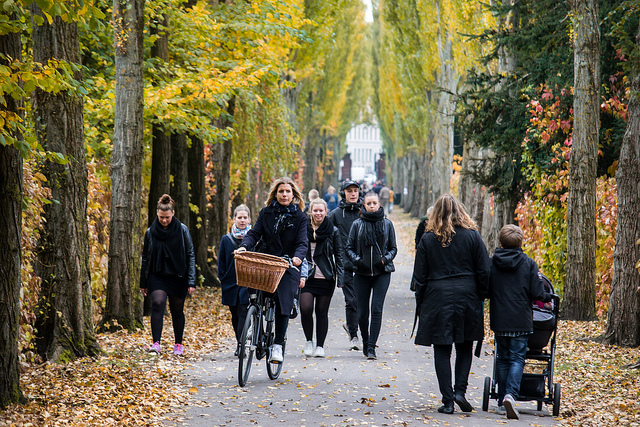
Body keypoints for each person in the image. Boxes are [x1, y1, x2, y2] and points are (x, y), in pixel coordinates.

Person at [412, 194, 490, 414]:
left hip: (438, 298)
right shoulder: (473, 236)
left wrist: (424, 300)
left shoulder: (427, 239)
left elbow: (420, 276)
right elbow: (484, 270)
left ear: (435, 212)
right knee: (464, 347)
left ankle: (447, 400)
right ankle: (460, 392)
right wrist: (481, 295)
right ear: (460, 210)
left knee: (442, 349)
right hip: (467, 296)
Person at [236, 177, 308, 364]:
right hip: (266, 260)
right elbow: (254, 234)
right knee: (252, 280)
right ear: (275, 193)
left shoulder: (300, 217)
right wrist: (244, 247)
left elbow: (302, 242)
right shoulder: (266, 213)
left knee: (283, 298)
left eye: (288, 191)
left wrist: (298, 257)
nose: (284, 194)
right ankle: (253, 319)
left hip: (287, 264)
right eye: (281, 191)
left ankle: (277, 345)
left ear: (294, 195)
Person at [489, 225, 552, 420]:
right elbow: (536, 292)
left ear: (500, 242)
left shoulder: (493, 263)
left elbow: (487, 287)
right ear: (521, 242)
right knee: (517, 358)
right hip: (520, 320)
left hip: (500, 317)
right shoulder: (528, 263)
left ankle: (501, 401)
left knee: (502, 358)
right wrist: (546, 296)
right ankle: (511, 395)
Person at [140, 194, 196, 356]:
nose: (164, 220)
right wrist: (143, 282)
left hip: (178, 276)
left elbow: (190, 254)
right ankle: (156, 343)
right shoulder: (151, 232)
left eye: (167, 217)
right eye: (161, 217)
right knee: (157, 303)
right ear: (157, 213)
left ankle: (178, 344)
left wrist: (191, 281)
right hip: (157, 275)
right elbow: (145, 258)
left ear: (173, 213)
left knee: (177, 310)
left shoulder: (182, 230)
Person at [346, 191, 397, 360]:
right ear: (364, 206)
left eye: (375, 203)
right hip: (361, 273)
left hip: (382, 272)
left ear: (379, 204)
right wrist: (358, 261)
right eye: (369, 203)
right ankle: (366, 340)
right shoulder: (357, 224)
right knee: (362, 313)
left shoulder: (387, 224)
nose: (372, 206)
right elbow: (349, 248)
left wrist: (384, 260)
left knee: (376, 309)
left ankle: (371, 347)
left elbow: (393, 248)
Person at [301, 199, 344, 358]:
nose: (318, 213)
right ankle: (308, 341)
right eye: (315, 210)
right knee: (305, 309)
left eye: (321, 211)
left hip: (326, 276)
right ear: (310, 211)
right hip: (306, 276)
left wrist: (341, 278)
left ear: (326, 211)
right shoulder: (303, 228)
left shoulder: (332, 231)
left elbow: (339, 255)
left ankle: (320, 346)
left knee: (321, 311)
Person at [328, 179, 362, 350]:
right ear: (343, 194)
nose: (353, 193)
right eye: (349, 191)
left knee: (361, 301)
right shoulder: (335, 214)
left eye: (355, 190)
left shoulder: (364, 212)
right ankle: (354, 335)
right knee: (352, 300)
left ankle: (356, 329)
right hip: (345, 264)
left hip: (364, 264)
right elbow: (326, 236)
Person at [218, 205, 252, 356]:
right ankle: (240, 340)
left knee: (243, 311)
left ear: (249, 219)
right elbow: (222, 262)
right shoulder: (226, 239)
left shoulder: (253, 239)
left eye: (245, 218)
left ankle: (241, 345)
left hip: (248, 282)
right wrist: (223, 278)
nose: (242, 220)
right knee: (235, 315)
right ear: (234, 219)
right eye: (240, 217)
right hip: (231, 282)